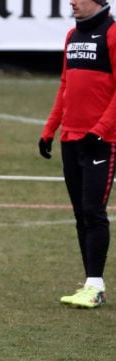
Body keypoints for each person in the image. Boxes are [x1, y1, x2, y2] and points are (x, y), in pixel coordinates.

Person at [39, 0, 115, 308]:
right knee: (80, 214)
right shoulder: (71, 36)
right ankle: (90, 282)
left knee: (93, 210)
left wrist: (100, 130)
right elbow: (64, 86)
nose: (71, 1)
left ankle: (95, 285)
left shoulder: (111, 35)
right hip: (70, 139)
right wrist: (50, 128)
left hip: (101, 141)